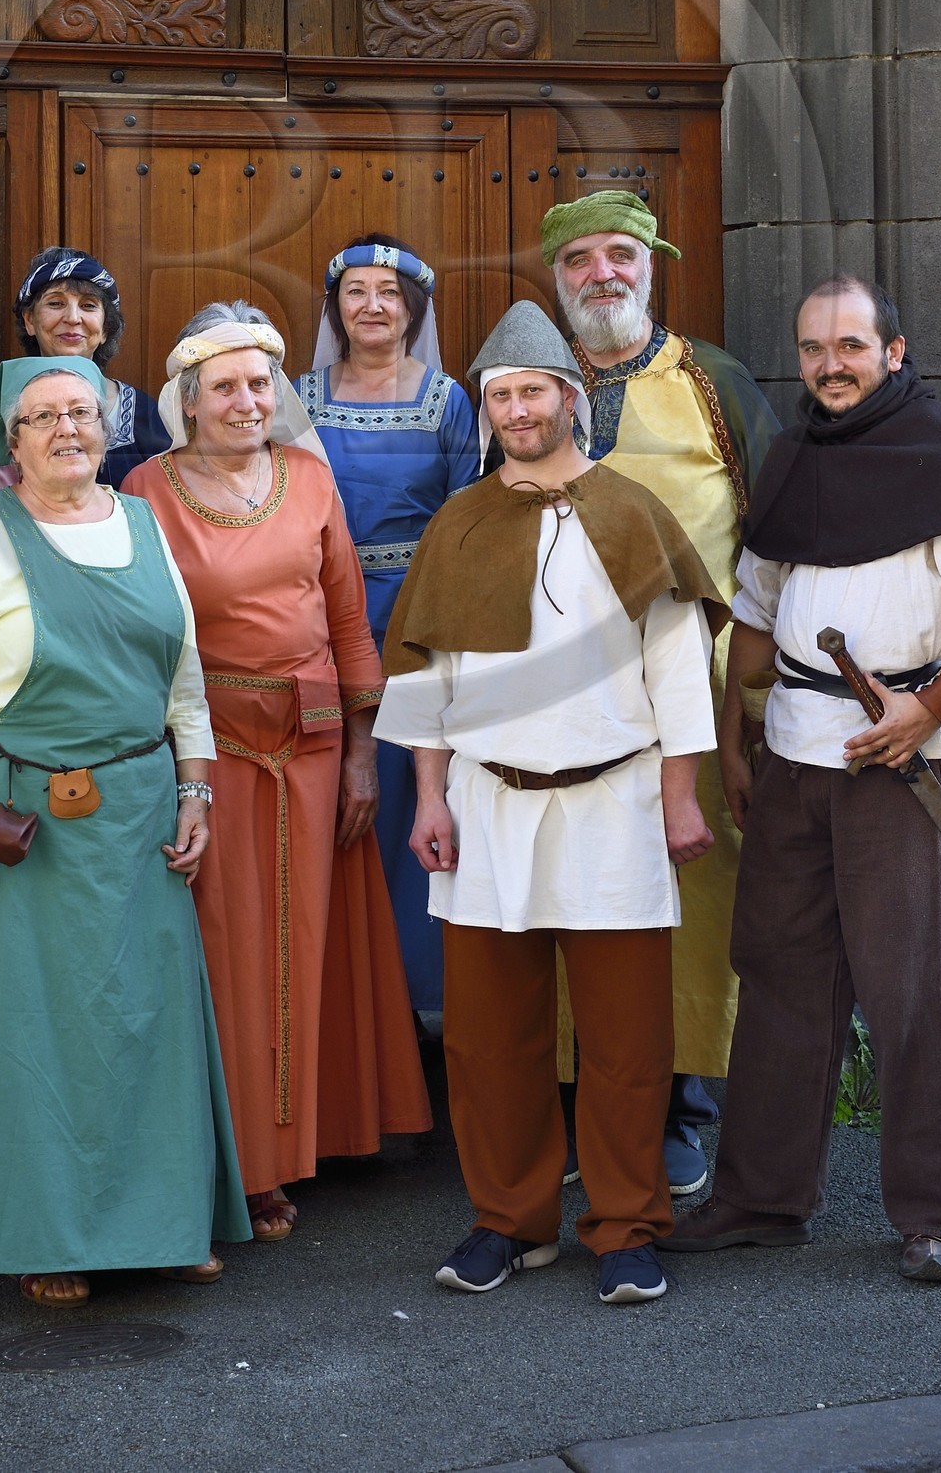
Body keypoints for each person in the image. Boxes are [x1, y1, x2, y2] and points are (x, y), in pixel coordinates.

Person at [662, 276, 941, 1284]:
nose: (829, 365)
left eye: (849, 346)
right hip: (794, 751)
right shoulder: (797, 457)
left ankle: (933, 1217)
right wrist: (732, 737)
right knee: (777, 975)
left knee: (909, 990)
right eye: (812, 348)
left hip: (899, 762)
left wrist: (926, 711)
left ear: (893, 352)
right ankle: (760, 1196)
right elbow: (756, 614)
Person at [376, 301, 723, 1309]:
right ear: (485, 411)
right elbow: (427, 676)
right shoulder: (460, 522)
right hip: (486, 808)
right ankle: (509, 1222)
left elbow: (678, 669)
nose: (519, 408)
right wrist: (427, 799)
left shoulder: (631, 513)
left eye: (533, 390)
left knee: (624, 1044)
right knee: (489, 1041)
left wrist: (679, 798)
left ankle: (624, 1225)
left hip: (614, 804)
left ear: (569, 400)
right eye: (501, 395)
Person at [0, 356, 249, 1304]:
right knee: (34, 1032)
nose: (68, 429)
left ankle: (166, 1223)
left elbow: (183, 680)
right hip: (24, 827)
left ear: (107, 426)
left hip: (139, 819)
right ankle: (45, 1234)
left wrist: (196, 790)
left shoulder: (140, 522)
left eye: (83, 412)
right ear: (10, 441)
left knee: (150, 1021)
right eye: (44, 415)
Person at [125, 302, 431, 1242]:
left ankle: (312, 1140)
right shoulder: (147, 486)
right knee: (227, 946)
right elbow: (139, 630)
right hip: (208, 745)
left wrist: (360, 758)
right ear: (188, 399)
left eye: (261, 383)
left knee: (309, 938)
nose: (247, 400)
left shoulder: (308, 479)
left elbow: (345, 621)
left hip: (312, 741)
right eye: (225, 386)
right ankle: (239, 1158)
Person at [544, 191, 778, 1196]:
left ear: (650, 267)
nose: (603, 273)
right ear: (556, 279)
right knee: (563, 887)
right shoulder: (525, 385)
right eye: (581, 260)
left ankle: (684, 1100)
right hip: (555, 696)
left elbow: (775, 533)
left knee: (689, 890)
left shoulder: (711, 381)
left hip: (696, 696)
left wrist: (768, 695)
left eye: (621, 256)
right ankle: (574, 1100)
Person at [297, 236, 479, 1013]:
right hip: (312, 616)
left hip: (412, 618)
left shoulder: (448, 400)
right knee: (327, 789)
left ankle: (416, 997)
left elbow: (467, 518)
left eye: (389, 292)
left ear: (413, 308)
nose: (372, 305)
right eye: (356, 290)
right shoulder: (295, 395)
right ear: (336, 306)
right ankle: (330, 994)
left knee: (408, 788)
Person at [14, 246, 169, 487]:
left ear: (106, 328)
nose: (73, 318)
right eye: (55, 303)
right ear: (29, 321)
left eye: (88, 305)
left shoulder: (147, 417)